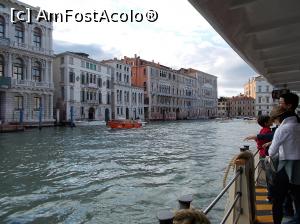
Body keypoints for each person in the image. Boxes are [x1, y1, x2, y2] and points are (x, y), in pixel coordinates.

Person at [267, 106, 300, 224]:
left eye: (274, 120)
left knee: (278, 200)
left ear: (279, 118)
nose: (274, 122)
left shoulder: (282, 129)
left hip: (285, 167)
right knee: (297, 198)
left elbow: (272, 152)